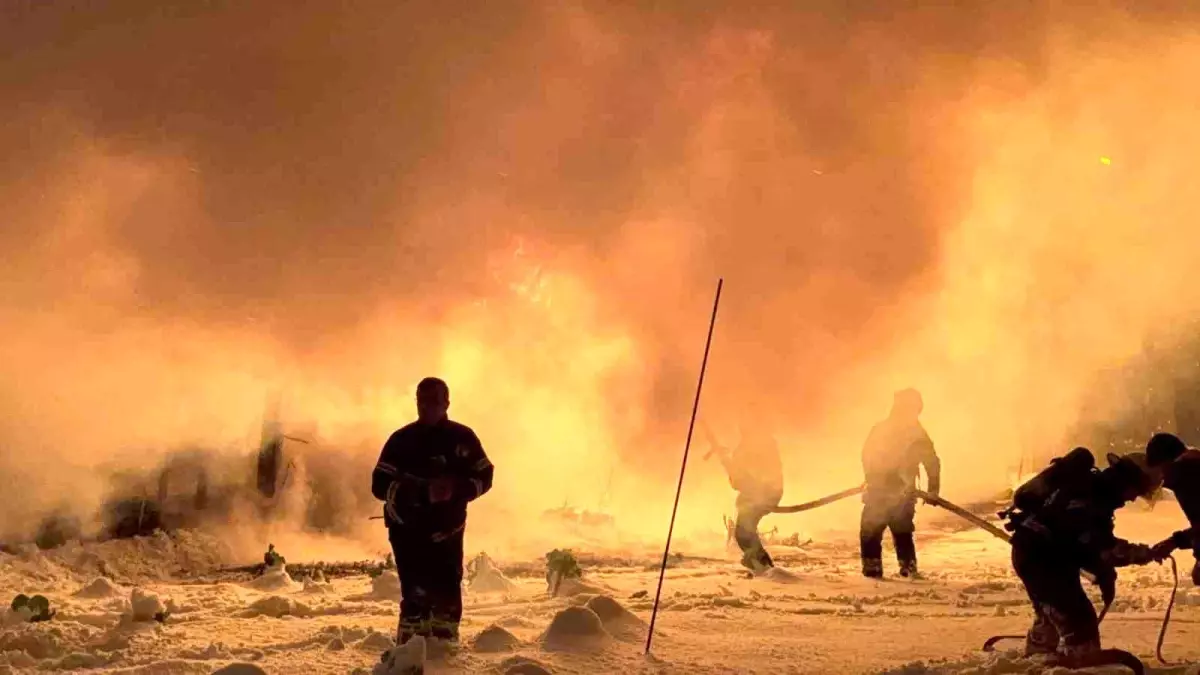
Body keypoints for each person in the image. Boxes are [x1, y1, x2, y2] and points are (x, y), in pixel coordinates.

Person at [371, 377, 495, 648]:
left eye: (434, 401)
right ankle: (410, 653)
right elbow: (378, 484)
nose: (427, 407)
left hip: (447, 530)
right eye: (422, 401)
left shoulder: (462, 438)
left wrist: (455, 490)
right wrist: (417, 493)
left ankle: (444, 651)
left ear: (447, 403)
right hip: (407, 531)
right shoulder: (402, 440)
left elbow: (485, 474)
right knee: (414, 593)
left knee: (447, 590)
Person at [1010, 451, 1163, 662]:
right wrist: (1142, 553)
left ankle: (1038, 658)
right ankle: (1076, 661)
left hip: (1038, 556)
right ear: (1127, 480)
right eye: (1136, 491)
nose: (1133, 498)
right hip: (1042, 561)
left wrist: (1103, 570)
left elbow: (1081, 544)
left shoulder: (1092, 492)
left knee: (1054, 613)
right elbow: (1099, 546)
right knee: (1079, 621)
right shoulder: (1090, 498)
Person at [860, 388, 940, 579]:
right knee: (895, 531)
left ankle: (879, 572)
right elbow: (932, 462)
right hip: (886, 490)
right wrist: (933, 489)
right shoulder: (914, 432)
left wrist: (933, 490)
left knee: (875, 530)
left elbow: (931, 462)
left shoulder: (907, 432)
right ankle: (906, 569)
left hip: (891, 492)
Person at [710, 423, 784, 572]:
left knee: (744, 532)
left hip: (763, 494)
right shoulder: (751, 445)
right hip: (757, 494)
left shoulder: (760, 444)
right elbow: (739, 480)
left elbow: (746, 478)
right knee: (743, 532)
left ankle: (763, 568)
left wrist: (731, 465)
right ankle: (763, 567)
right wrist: (728, 462)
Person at [1144, 433, 1200, 585]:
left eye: (1159, 468)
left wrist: (1175, 542)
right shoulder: (1190, 471)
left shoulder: (1188, 476)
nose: (1160, 476)